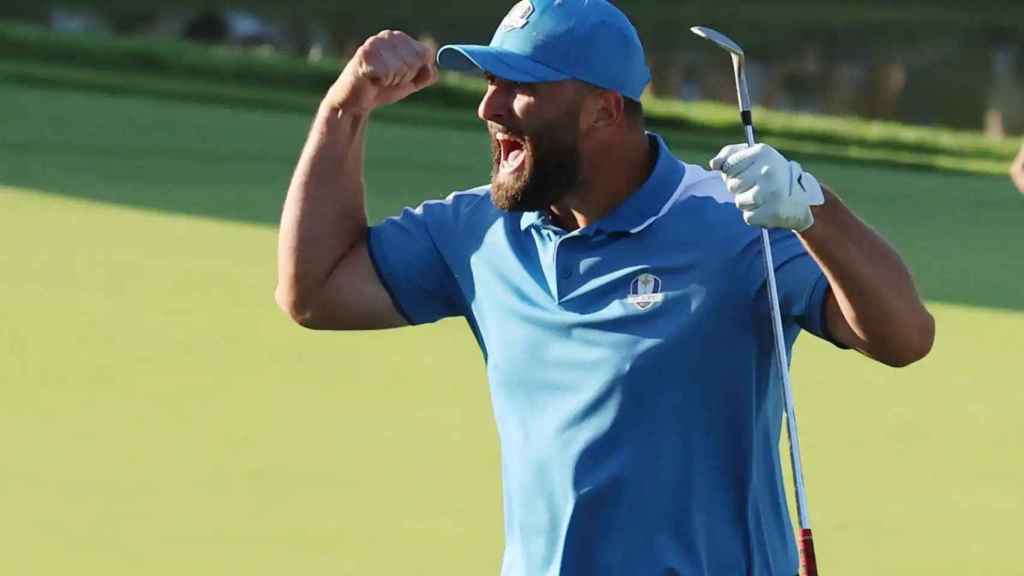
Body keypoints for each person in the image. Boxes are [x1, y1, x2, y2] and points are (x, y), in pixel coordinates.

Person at [276, 1, 935, 574]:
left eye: (520, 85)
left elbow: (904, 337)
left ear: (604, 110)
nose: (489, 105)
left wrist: (814, 207)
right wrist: (346, 106)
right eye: (490, 80)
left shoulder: (735, 225)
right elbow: (317, 293)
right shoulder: (477, 231)